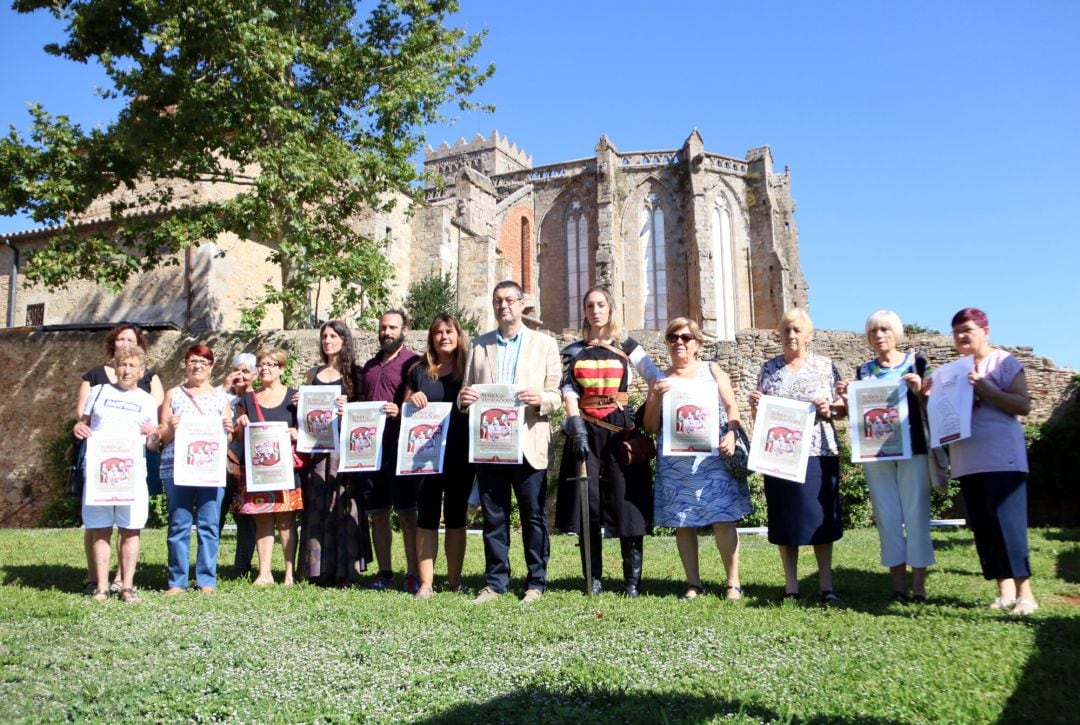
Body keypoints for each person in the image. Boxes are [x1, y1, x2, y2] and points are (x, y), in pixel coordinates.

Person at [458, 281, 562, 604]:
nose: (503, 306)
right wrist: (464, 399)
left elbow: (556, 395)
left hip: (528, 442)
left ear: (521, 305)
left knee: (533, 515)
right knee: (494, 515)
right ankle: (495, 582)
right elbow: (465, 394)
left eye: (509, 300)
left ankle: (536, 582)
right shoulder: (478, 345)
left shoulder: (544, 345)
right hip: (491, 445)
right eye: (497, 301)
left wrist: (540, 399)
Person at [930, 308, 1037, 615]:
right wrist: (927, 394)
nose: (962, 336)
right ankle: (1003, 592)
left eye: (968, 329)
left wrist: (986, 389)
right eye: (957, 331)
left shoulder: (1003, 362)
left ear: (985, 331)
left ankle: (1025, 594)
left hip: (1002, 458)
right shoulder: (950, 372)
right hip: (967, 460)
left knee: (1009, 526)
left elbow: (1023, 404)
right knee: (985, 528)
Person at [555, 286, 660, 597]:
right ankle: (594, 579)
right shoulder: (574, 350)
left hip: (619, 431)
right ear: (585, 311)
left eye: (601, 304)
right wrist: (576, 426)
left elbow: (655, 378)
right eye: (590, 305)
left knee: (627, 501)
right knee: (588, 504)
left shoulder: (627, 346)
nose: (595, 310)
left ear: (610, 309)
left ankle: (632, 582)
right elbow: (569, 390)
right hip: (585, 430)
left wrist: (642, 415)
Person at [642, 318, 751, 600]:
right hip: (676, 463)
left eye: (686, 337)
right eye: (672, 337)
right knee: (684, 522)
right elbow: (651, 427)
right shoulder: (662, 379)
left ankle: (733, 583)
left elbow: (731, 407)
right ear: (666, 343)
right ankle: (693, 584)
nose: (679, 341)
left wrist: (733, 433)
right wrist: (654, 396)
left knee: (723, 520)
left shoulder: (712, 370)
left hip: (713, 458)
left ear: (698, 344)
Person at [836, 310, 935, 604]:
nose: (879, 336)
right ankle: (898, 586)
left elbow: (936, 400)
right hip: (875, 453)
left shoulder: (917, 363)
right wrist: (846, 399)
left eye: (884, 330)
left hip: (913, 449)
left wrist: (919, 391)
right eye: (873, 331)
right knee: (887, 516)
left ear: (896, 332)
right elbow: (857, 413)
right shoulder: (864, 372)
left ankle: (919, 587)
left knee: (916, 514)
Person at [749, 307, 845, 604]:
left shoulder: (826, 367)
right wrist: (756, 407)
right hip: (779, 455)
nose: (791, 334)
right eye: (786, 329)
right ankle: (791, 585)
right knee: (785, 517)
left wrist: (831, 408)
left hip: (819, 451)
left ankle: (826, 585)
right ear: (779, 333)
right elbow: (761, 416)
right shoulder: (768, 369)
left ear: (809, 335)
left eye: (797, 329)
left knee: (821, 517)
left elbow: (842, 408)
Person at [75, 323, 164, 595]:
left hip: (132, 475)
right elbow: (82, 424)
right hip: (100, 473)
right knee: (100, 529)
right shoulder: (98, 392)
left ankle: (127, 586)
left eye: (132, 366)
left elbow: (151, 444)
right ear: (116, 366)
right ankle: (101, 587)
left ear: (141, 371)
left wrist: (155, 436)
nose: (126, 370)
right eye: (122, 365)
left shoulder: (148, 400)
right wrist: (78, 428)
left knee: (130, 529)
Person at [403, 313, 474, 599]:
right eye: (438, 332)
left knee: (456, 517)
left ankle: (455, 582)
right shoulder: (419, 370)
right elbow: (404, 405)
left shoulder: (469, 368)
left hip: (460, 453)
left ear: (458, 335)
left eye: (449, 331)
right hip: (425, 455)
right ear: (431, 337)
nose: (444, 336)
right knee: (427, 517)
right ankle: (426, 584)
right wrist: (412, 399)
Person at [298, 320, 373, 586]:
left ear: (344, 340)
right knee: (318, 505)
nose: (327, 341)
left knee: (343, 504)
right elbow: (305, 418)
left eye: (333, 336)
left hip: (344, 451)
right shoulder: (311, 374)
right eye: (324, 337)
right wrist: (299, 404)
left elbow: (366, 412)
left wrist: (349, 406)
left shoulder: (356, 375)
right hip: (318, 452)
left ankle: (345, 569)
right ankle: (318, 569)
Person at [158, 344, 234, 594]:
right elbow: (163, 436)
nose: (197, 366)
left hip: (210, 469)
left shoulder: (222, 398)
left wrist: (228, 429)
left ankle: (206, 580)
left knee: (209, 524)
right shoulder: (173, 394)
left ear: (212, 367)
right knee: (179, 523)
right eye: (192, 361)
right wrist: (170, 426)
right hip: (178, 469)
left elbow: (228, 439)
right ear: (185, 364)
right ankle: (177, 580)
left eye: (203, 362)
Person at [357, 309, 421, 592]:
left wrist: (402, 409)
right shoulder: (369, 367)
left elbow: (422, 402)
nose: (387, 332)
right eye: (383, 327)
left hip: (401, 449)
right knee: (378, 513)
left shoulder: (415, 364)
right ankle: (384, 572)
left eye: (393, 327)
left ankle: (413, 572)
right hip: (371, 450)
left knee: (407, 514)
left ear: (404, 330)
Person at [233, 347, 304, 585]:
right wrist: (240, 423)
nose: (264, 369)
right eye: (261, 365)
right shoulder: (247, 399)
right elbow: (236, 435)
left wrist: (297, 432)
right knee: (262, 519)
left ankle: (289, 573)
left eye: (270, 365)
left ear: (282, 369)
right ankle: (264, 573)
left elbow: (310, 429)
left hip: (285, 471)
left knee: (286, 521)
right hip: (257, 472)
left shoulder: (295, 398)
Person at [220, 353, 257, 576]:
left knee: (246, 518)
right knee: (216, 514)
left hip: (247, 463)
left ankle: (242, 567)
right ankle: (206, 566)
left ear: (255, 374)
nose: (240, 375)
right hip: (223, 461)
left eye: (246, 371)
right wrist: (225, 389)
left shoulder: (259, 398)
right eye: (237, 370)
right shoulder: (222, 396)